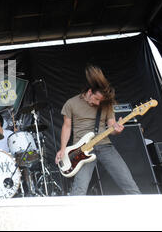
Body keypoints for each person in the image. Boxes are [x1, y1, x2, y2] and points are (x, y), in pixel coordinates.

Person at [54, 65, 140, 195]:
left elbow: (112, 126)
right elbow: (67, 126)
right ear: (89, 92)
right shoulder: (71, 103)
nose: (99, 103)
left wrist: (118, 129)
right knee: (79, 190)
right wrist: (62, 148)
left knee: (128, 183)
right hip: (81, 150)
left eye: (101, 100)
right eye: (96, 99)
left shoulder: (106, 104)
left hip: (105, 145)